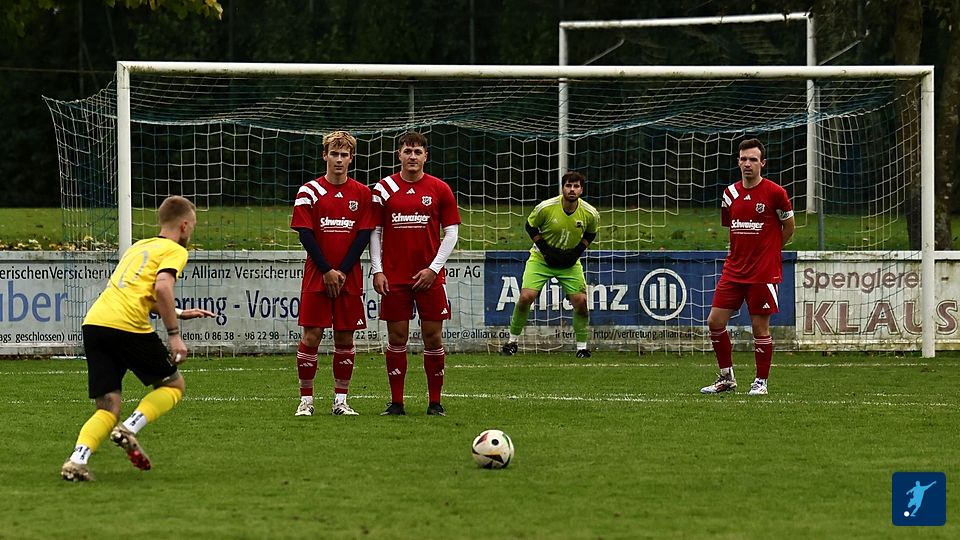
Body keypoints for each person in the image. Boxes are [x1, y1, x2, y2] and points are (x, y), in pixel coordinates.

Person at [61, 196, 216, 482]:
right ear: (184, 225)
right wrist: (174, 336)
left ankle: (76, 460)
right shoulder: (175, 250)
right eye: (192, 226)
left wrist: (179, 313)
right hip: (127, 325)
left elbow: (137, 292)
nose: (191, 231)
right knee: (173, 385)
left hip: (95, 323)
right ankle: (129, 428)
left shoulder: (138, 247)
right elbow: (162, 287)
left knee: (108, 406)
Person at [369, 131, 460, 416]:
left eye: (417, 152)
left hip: (430, 278)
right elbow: (375, 232)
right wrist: (378, 270)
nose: (412, 156)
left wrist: (434, 269)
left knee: (433, 337)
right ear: (399, 154)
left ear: (425, 156)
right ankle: (397, 403)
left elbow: (452, 233)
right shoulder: (384, 188)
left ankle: (435, 403)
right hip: (394, 278)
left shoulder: (440, 189)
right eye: (407, 151)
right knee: (397, 339)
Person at [701, 138, 795, 396]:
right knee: (715, 321)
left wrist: (771, 250)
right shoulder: (729, 194)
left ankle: (761, 382)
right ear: (738, 162)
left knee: (759, 328)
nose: (747, 164)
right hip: (734, 270)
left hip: (763, 272)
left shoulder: (776, 193)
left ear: (762, 163)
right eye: (743, 159)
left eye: (753, 159)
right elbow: (732, 228)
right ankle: (726, 378)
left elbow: (789, 227)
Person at [290, 130, 374, 416]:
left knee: (345, 337)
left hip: (349, 276)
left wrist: (342, 271)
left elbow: (363, 235)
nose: (339, 159)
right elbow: (305, 233)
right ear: (324, 155)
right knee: (311, 335)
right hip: (317, 274)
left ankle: (341, 400)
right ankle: (306, 400)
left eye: (344, 155)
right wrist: (327, 270)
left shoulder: (363, 194)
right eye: (334, 154)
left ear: (352, 159)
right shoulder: (309, 191)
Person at [500, 172, 599, 358]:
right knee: (526, 297)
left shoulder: (590, 213)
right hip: (541, 259)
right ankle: (512, 342)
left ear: (582, 190)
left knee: (581, 301)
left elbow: (591, 233)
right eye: (568, 186)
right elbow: (530, 226)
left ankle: (582, 348)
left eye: (576, 186)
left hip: (569, 262)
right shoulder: (545, 208)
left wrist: (576, 252)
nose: (572, 190)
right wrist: (546, 250)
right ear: (562, 188)